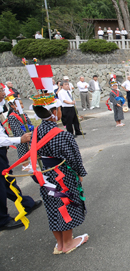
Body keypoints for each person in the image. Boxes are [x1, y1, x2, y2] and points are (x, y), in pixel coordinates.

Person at [30, 95, 89, 253]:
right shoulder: (62, 135)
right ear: (54, 112)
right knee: (66, 205)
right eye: (59, 109)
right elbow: (74, 158)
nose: (61, 111)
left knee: (53, 207)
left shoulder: (35, 132)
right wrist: (79, 173)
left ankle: (60, 243)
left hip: (45, 176)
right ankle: (68, 243)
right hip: (62, 175)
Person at [0, 88, 41, 231]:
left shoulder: (13, 112)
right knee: (2, 184)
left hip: (4, 150)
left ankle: (25, 203)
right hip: (8, 144)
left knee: (7, 181)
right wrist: (20, 139)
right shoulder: (11, 115)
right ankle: (2, 219)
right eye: (1, 90)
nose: (3, 93)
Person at [5, 95, 33, 171]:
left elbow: (29, 123)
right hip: (21, 136)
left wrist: (31, 130)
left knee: (28, 149)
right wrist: (23, 136)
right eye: (19, 104)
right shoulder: (12, 116)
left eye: (21, 103)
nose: (22, 106)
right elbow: (16, 130)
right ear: (12, 106)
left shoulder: (24, 114)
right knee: (22, 150)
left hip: (28, 134)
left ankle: (28, 162)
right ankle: (24, 164)